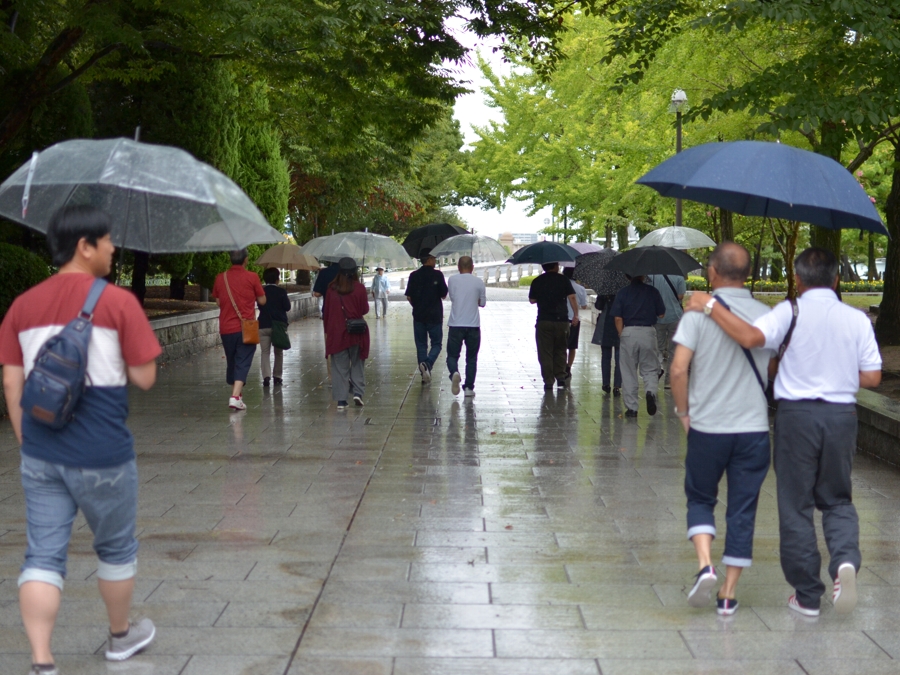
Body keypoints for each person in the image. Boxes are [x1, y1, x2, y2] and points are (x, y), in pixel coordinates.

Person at [0, 206, 161, 674]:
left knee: (42, 555)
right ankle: (120, 637)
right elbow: (145, 377)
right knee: (116, 550)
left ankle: (42, 660)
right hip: (104, 454)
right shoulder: (117, 303)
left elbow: (11, 382)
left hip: (41, 453)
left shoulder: (22, 306)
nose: (113, 248)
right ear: (84, 246)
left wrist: (28, 441)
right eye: (106, 240)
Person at [685, 247, 882, 617]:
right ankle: (844, 561)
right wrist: (835, 374)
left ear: (797, 278)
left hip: (797, 418)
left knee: (796, 505)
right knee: (838, 500)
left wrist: (710, 305)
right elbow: (872, 377)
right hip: (841, 417)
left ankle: (807, 596)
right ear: (837, 279)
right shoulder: (857, 319)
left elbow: (749, 338)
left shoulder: (788, 312)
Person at [669, 243, 772, 616]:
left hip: (708, 427)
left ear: (712, 272)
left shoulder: (697, 314)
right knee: (743, 507)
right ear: (749, 274)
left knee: (700, 498)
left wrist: (684, 413)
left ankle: (704, 565)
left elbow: (678, 369)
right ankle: (727, 593)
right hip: (753, 428)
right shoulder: (766, 315)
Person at [212, 249, 266, 410]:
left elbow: (218, 302)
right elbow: (262, 300)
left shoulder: (221, 278)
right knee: (243, 361)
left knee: (232, 361)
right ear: (246, 260)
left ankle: (238, 397)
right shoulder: (252, 277)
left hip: (226, 328)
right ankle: (235, 397)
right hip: (246, 328)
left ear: (230, 260)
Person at [611, 275, 665, 417]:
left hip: (628, 332)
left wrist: (621, 334)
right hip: (648, 332)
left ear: (627, 276)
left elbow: (618, 318)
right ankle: (650, 392)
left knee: (628, 371)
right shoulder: (653, 291)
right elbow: (661, 314)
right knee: (650, 368)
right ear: (643, 275)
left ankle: (632, 408)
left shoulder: (622, 292)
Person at [323, 257, 370, 409]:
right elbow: (364, 310)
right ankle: (357, 392)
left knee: (339, 367)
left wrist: (328, 332)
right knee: (357, 363)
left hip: (337, 333)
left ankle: (341, 400)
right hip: (356, 332)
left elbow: (327, 312)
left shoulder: (331, 290)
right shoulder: (359, 288)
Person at [529, 262, 579, 391]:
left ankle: (548, 381)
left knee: (545, 352)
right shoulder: (563, 280)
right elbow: (572, 297)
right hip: (562, 321)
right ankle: (561, 377)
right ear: (555, 266)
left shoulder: (537, 281)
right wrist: (576, 315)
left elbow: (532, 300)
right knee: (561, 349)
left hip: (544, 320)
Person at [446, 256, 487, 398]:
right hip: (473, 325)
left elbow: (453, 298)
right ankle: (469, 388)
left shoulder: (452, 280)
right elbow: (482, 303)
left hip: (455, 324)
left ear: (458, 267)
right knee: (471, 358)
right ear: (472, 267)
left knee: (452, 355)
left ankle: (454, 373)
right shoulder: (479, 282)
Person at [405, 249, 448, 383]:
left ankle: (424, 373)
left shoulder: (413, 275)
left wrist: (417, 306)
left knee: (421, 345)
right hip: (435, 315)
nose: (435, 261)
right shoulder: (438, 275)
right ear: (429, 259)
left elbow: (409, 296)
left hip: (419, 315)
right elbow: (444, 294)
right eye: (434, 258)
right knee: (437, 344)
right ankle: (428, 364)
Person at [647, 273, 685, 386]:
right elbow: (681, 296)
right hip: (675, 317)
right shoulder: (679, 277)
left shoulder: (652, 276)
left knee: (658, 348)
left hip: (658, 317)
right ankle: (669, 380)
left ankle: (657, 372)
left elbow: (649, 294)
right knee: (673, 350)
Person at [258, 267, 291, 387]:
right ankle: (277, 376)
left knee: (265, 352)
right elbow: (287, 307)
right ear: (277, 279)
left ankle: (266, 377)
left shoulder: (261, 291)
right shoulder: (281, 291)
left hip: (263, 324)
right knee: (278, 352)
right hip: (278, 326)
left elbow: (260, 305)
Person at [591, 294, 621, 396]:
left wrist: (604, 297)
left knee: (606, 357)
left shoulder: (605, 291)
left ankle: (606, 384)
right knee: (619, 358)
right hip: (620, 325)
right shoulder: (623, 292)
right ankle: (617, 386)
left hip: (606, 325)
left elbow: (598, 306)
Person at [562, 266, 588, 376]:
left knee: (561, 345)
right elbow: (584, 306)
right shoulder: (580, 288)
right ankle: (568, 367)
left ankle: (561, 366)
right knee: (572, 346)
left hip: (561, 319)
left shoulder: (560, 286)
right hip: (574, 319)